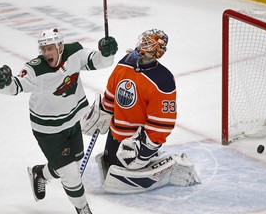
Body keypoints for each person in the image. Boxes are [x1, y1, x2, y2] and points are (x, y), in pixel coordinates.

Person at [0, 28, 118, 213]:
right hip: (48, 130)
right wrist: (3, 83)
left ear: (60, 46)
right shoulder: (35, 69)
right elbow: (15, 86)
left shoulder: (74, 51)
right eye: (43, 49)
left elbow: (98, 61)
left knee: (72, 162)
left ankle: (40, 173)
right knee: (71, 174)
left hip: (72, 121)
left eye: (50, 48)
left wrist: (107, 52)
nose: (46, 53)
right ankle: (83, 209)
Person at [81, 29, 200, 194]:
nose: (142, 45)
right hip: (115, 134)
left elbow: (161, 123)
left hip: (134, 142)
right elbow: (112, 91)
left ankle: (171, 167)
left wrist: (146, 150)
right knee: (108, 167)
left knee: (118, 180)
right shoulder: (126, 62)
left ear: (157, 51)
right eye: (142, 41)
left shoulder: (163, 79)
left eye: (147, 43)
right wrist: (104, 111)